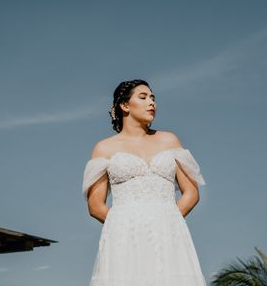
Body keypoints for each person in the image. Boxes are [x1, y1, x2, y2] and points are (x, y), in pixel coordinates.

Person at [82, 79, 207, 286]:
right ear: (124, 106)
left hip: (169, 234)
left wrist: (167, 221)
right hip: (124, 238)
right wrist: (128, 225)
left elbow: (191, 193)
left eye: (153, 98)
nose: (152, 103)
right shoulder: (104, 148)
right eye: (143, 97)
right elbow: (95, 206)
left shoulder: (170, 140)